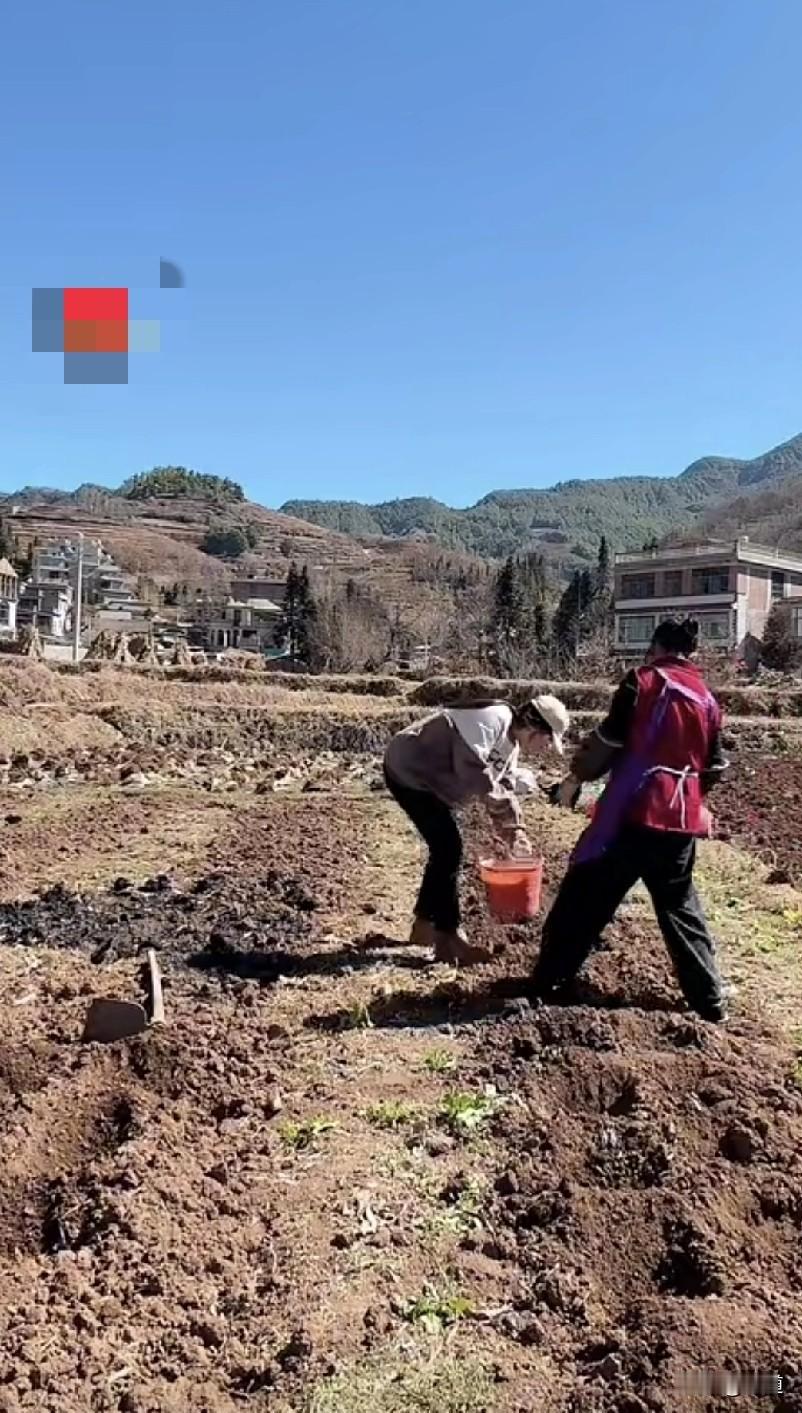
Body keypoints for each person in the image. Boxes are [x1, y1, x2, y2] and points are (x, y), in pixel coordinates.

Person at [533, 618, 728, 1021]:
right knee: (680, 907)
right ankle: (710, 1002)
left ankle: (548, 982)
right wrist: (688, 797)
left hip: (632, 812)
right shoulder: (708, 700)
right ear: (690, 654)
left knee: (584, 895)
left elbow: (608, 741)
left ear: (655, 648)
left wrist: (576, 777)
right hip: (679, 820)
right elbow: (714, 767)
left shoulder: (642, 683)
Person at [384, 695, 570, 965]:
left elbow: (502, 786)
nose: (545, 748)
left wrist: (516, 833)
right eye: (546, 740)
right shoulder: (490, 719)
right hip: (409, 770)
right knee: (449, 848)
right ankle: (449, 937)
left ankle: (423, 925)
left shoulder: (511, 745)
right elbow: (474, 773)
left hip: (431, 782)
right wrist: (508, 821)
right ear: (533, 728)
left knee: (445, 848)